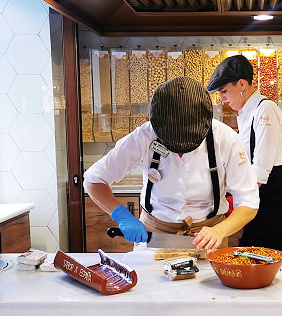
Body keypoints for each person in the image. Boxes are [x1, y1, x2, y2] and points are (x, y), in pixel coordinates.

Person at [83, 76, 259, 251]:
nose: (179, 151)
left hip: (209, 238)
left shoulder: (226, 139)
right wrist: (121, 215)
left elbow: (249, 202)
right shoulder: (143, 136)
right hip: (154, 234)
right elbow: (94, 179)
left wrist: (221, 231)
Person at [206, 54, 282, 251]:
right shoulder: (245, 113)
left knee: (254, 250)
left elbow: (261, 166)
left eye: (224, 91)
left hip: (277, 193)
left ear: (241, 84)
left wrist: (235, 199)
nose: (222, 98)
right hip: (265, 194)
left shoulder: (264, 109)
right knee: (254, 250)